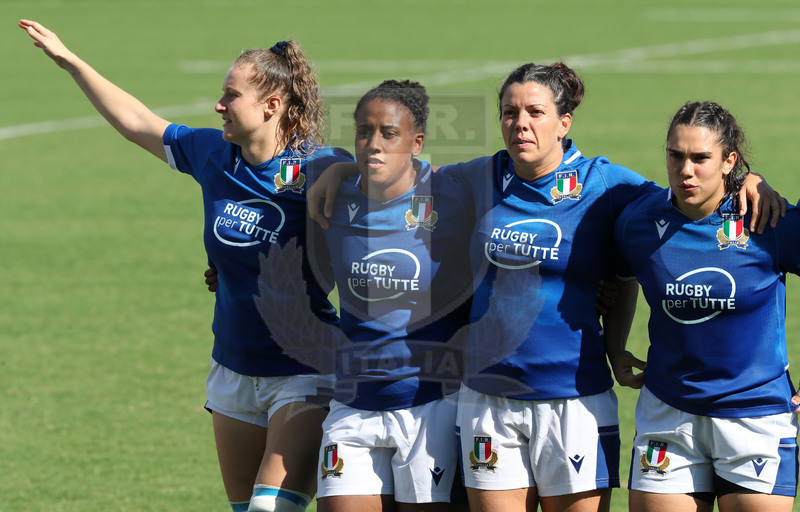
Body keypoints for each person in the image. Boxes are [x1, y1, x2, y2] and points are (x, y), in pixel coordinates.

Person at [307, 63, 783, 512]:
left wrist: (748, 179)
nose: (521, 124)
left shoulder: (606, 184)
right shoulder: (479, 177)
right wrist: (343, 169)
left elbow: (686, 196)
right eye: (510, 113)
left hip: (574, 400)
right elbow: (401, 175)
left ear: (564, 123)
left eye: (535, 113)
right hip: (488, 400)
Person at [20, 20, 353, 512]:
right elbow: (138, 122)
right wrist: (71, 62)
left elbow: (393, 186)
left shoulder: (320, 169)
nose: (219, 105)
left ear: (272, 105)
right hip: (233, 368)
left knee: (270, 508)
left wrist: (349, 169)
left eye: (230, 95)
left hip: (305, 371)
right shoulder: (215, 155)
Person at [613, 101, 800, 512]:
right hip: (667, 411)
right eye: (675, 156)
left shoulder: (767, 219)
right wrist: (615, 344)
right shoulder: (639, 222)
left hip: (754, 418)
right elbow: (615, 276)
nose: (686, 170)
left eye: (701, 158)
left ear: (729, 160)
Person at [309, 80, 473, 512]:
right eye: (364, 131)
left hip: (430, 406)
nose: (373, 144)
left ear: (417, 142)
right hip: (352, 402)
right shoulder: (334, 191)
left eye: (389, 133)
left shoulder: (454, 195)